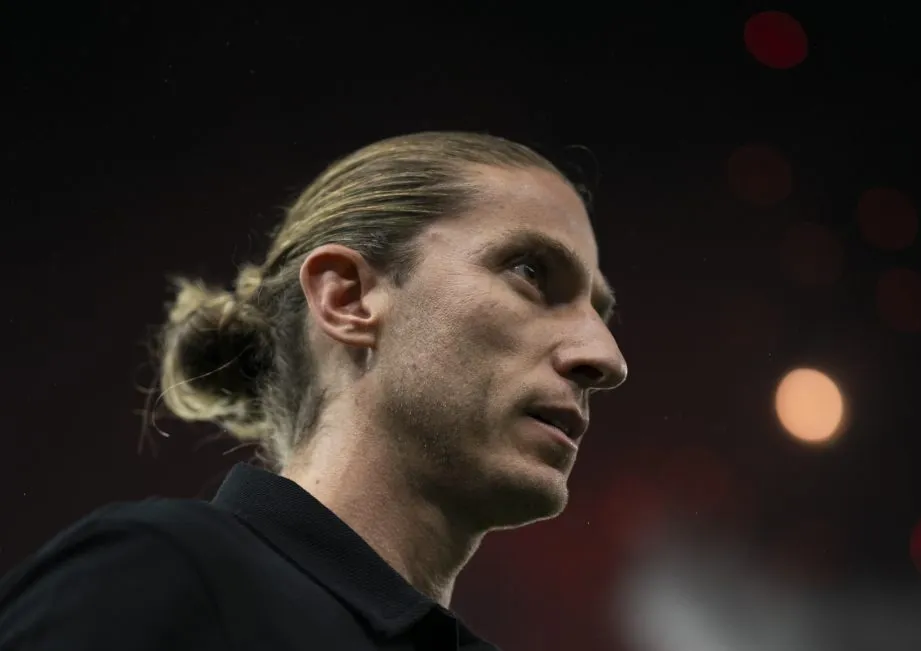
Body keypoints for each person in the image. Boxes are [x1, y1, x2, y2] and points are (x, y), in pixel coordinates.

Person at [0, 131, 628, 649]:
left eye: (600, 313)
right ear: (348, 298)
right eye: (530, 273)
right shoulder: (163, 576)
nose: (606, 358)